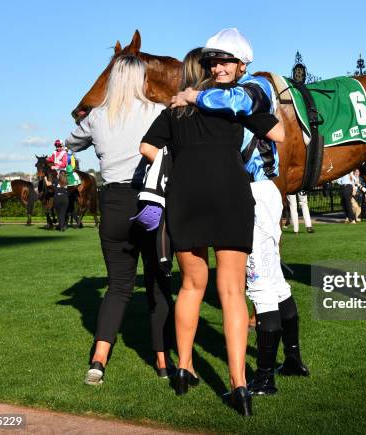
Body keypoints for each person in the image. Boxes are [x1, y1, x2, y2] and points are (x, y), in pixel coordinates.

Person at [171, 28, 309, 401]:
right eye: (213, 61)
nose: (218, 66)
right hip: (238, 193)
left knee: (259, 283)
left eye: (226, 60)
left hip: (255, 191)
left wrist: (191, 94)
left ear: (243, 63)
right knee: (273, 279)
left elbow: (233, 104)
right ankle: (293, 359)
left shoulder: (252, 89)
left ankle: (263, 376)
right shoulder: (226, 94)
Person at [141, 46, 276, 417]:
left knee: (191, 286)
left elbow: (147, 147)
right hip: (231, 195)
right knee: (232, 291)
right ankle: (239, 385)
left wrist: (178, 164)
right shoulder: (232, 106)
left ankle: (184, 367)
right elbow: (277, 132)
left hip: (186, 198)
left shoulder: (174, 111)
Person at [65, 54, 175, 385]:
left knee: (117, 287)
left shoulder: (97, 117)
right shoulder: (157, 112)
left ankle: (98, 360)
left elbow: (71, 143)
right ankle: (161, 360)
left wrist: (86, 118)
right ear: (142, 81)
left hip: (112, 201)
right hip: (149, 200)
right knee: (157, 282)